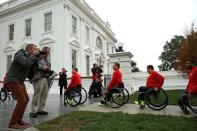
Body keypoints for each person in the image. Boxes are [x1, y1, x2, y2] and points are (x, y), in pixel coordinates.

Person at [5, 44, 39, 129]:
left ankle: (19, 120)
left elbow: (31, 69)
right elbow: (26, 64)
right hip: (13, 80)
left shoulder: (30, 57)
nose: (36, 51)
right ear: (29, 50)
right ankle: (12, 123)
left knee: (26, 99)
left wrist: (38, 58)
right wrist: (33, 56)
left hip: (19, 80)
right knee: (22, 100)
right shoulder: (19, 54)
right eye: (34, 49)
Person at [29, 47, 51, 118]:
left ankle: (40, 110)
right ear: (44, 51)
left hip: (45, 77)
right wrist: (42, 67)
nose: (48, 53)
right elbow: (34, 64)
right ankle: (33, 111)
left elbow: (47, 67)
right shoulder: (38, 56)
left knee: (45, 94)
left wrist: (48, 68)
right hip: (38, 77)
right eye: (47, 51)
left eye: (49, 51)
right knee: (37, 94)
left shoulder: (46, 59)